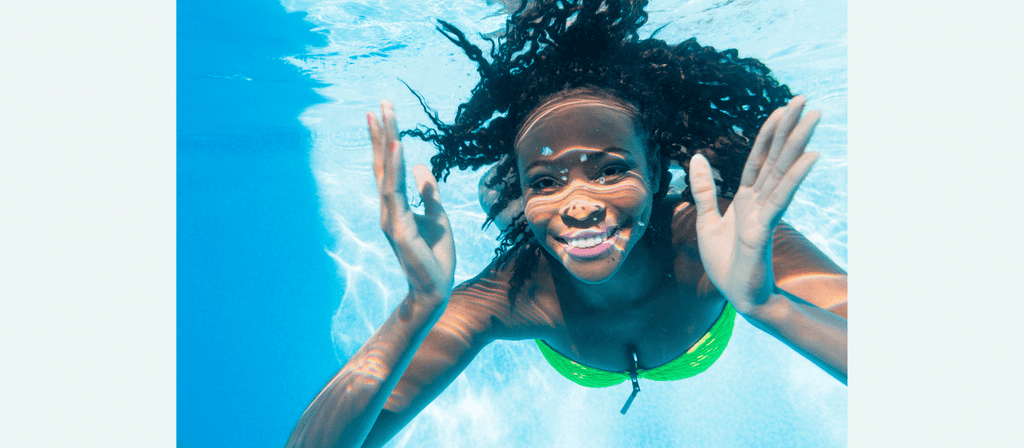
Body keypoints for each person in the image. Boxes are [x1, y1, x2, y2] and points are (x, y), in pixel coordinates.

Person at [286, 1, 847, 447]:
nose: (579, 205)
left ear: (655, 171)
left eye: (610, 170)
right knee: (518, 213)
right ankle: (511, 193)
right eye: (546, 182)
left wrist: (766, 303)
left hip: (689, 334)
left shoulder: (721, 242)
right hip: (578, 349)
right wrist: (419, 305)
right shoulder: (514, 291)